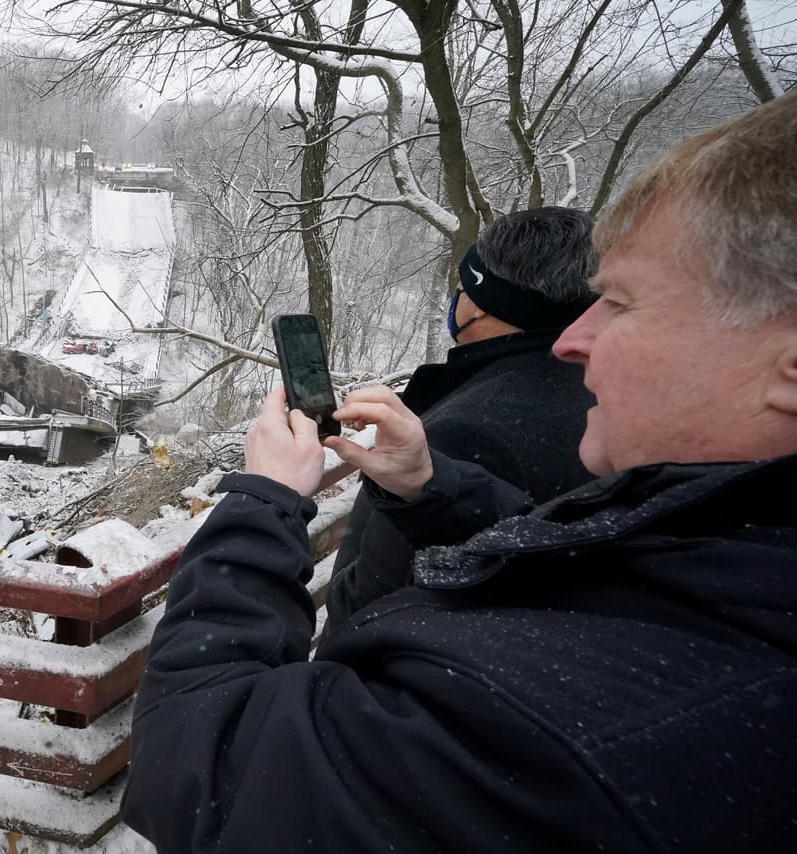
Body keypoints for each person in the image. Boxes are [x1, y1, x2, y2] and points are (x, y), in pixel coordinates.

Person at [120, 91, 797, 852]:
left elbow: (199, 767)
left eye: (621, 301)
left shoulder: (535, 736)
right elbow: (591, 573)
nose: (573, 340)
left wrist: (265, 500)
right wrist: (430, 486)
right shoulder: (725, 560)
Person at [326, 207, 597, 631]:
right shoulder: (597, 389)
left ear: (485, 307)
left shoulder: (466, 431)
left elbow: (371, 600)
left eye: (461, 289)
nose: (454, 299)